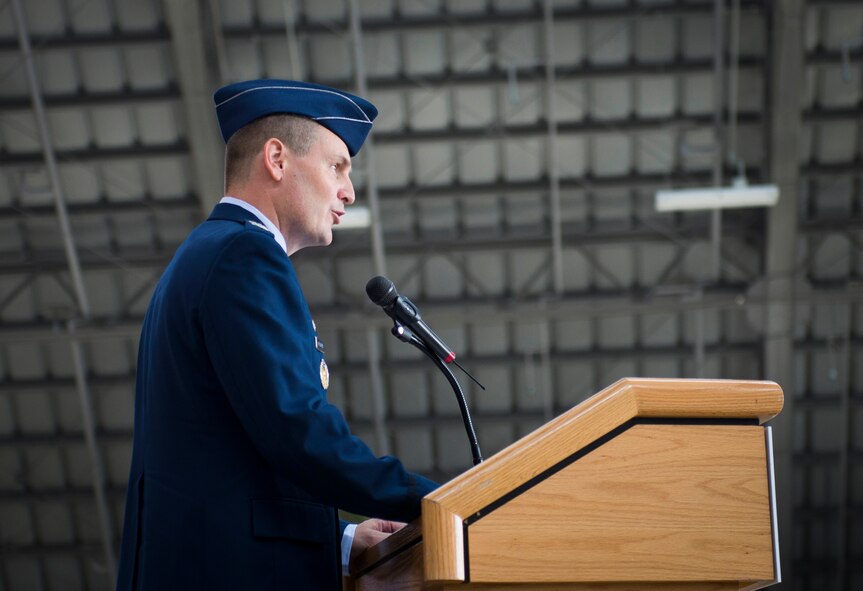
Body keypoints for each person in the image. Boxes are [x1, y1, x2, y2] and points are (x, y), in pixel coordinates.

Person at [116, 79, 439, 590]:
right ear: (277, 159)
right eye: (337, 165)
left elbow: (228, 456)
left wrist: (340, 540)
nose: (349, 191)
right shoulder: (243, 256)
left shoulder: (206, 256)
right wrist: (434, 499)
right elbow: (297, 429)